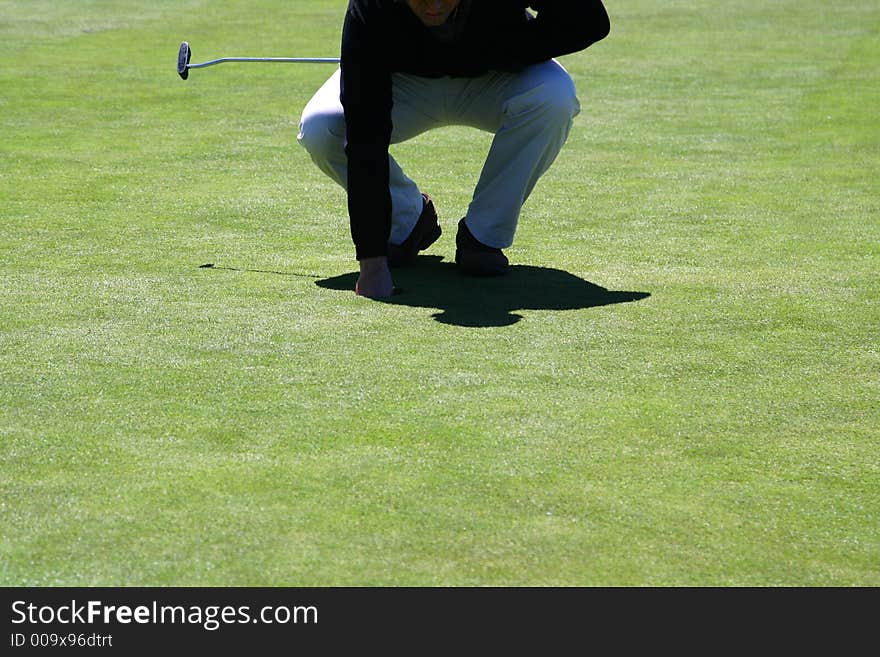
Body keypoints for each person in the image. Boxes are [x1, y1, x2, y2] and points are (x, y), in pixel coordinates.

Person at [298, 0, 610, 298]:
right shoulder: (372, 6)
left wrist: (507, 49)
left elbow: (590, 21)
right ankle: (407, 221)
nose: (433, 6)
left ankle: (483, 238)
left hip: (495, 77)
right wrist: (372, 261)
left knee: (554, 96)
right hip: (403, 82)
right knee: (321, 127)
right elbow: (366, 131)